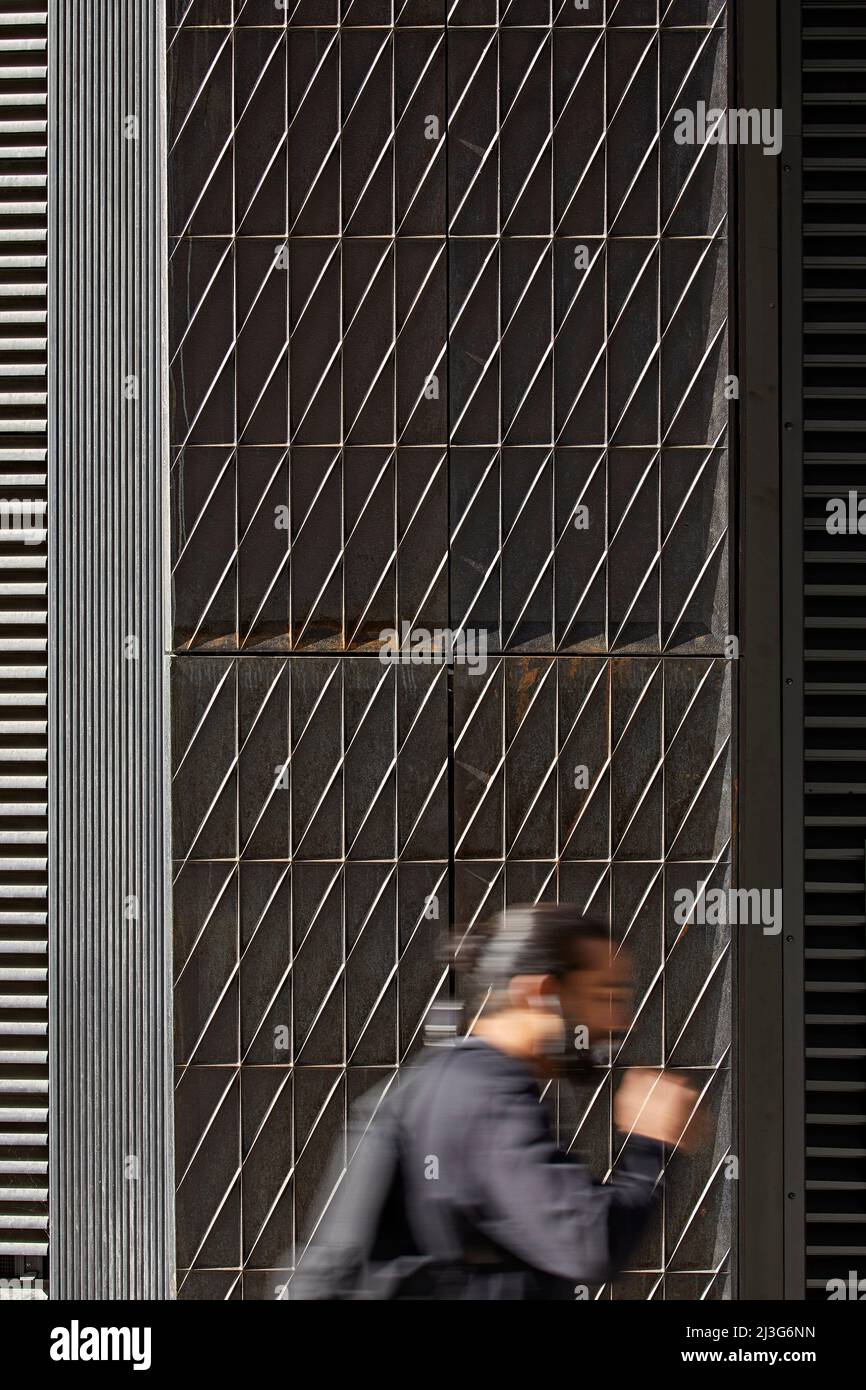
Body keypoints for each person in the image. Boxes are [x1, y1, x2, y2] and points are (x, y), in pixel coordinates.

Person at [289, 903, 698, 1300]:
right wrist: (651, 1146)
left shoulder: (451, 1081)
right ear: (540, 993)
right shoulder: (480, 1095)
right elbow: (588, 1239)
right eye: (605, 994)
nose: (620, 1021)